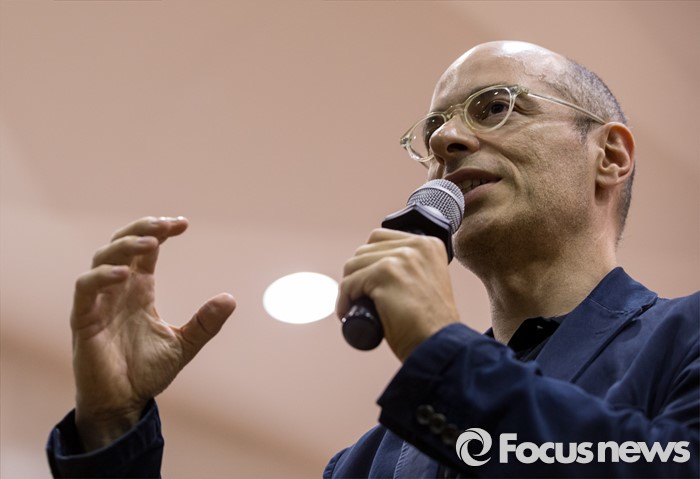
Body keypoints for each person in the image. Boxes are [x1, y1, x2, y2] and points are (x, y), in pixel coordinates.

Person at [47, 41, 698, 478]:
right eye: (432, 129)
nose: (446, 139)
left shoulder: (685, 340)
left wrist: (441, 354)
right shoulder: (369, 461)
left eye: (496, 106)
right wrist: (111, 432)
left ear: (609, 154)